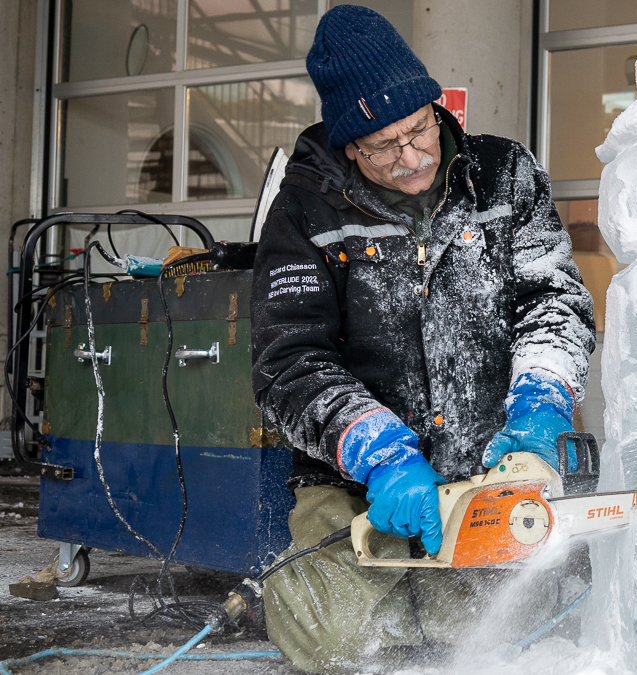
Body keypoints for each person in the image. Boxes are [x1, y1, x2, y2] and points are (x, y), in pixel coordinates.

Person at [249, 5, 594, 672]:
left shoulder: (504, 176)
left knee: (501, 634)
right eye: (382, 145)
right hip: (362, 479)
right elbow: (287, 360)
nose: (411, 156)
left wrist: (542, 398)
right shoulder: (302, 211)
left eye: (419, 129)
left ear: (436, 108)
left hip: (488, 464)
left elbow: (554, 299)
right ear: (348, 144)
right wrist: (377, 451)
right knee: (332, 634)